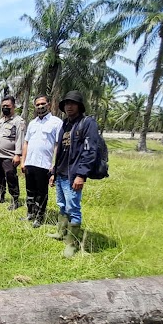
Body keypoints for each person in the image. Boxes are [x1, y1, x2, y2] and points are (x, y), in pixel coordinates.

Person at [49, 90, 99, 258]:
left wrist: (81, 175)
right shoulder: (65, 124)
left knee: (73, 209)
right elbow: (60, 152)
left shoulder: (87, 123)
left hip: (73, 175)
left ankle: (71, 244)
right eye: (66, 104)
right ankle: (61, 232)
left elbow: (89, 151)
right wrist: (54, 172)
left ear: (79, 105)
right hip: (61, 173)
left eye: (73, 103)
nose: (69, 106)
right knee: (61, 205)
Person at [20, 95, 63, 228]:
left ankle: (39, 217)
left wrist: (54, 165)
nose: (40, 106)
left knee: (41, 193)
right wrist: (23, 161)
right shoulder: (33, 123)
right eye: (37, 104)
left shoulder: (56, 122)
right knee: (30, 191)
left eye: (43, 104)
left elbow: (57, 145)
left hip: (44, 165)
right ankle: (30, 214)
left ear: (49, 105)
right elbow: (26, 143)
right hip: (30, 163)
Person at [0, 95, 25, 210]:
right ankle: (0, 197)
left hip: (9, 156)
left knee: (11, 177)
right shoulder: (0, 121)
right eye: (3, 106)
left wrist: (18, 155)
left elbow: (20, 138)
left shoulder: (18, 121)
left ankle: (15, 200)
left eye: (7, 106)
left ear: (13, 107)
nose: (5, 108)